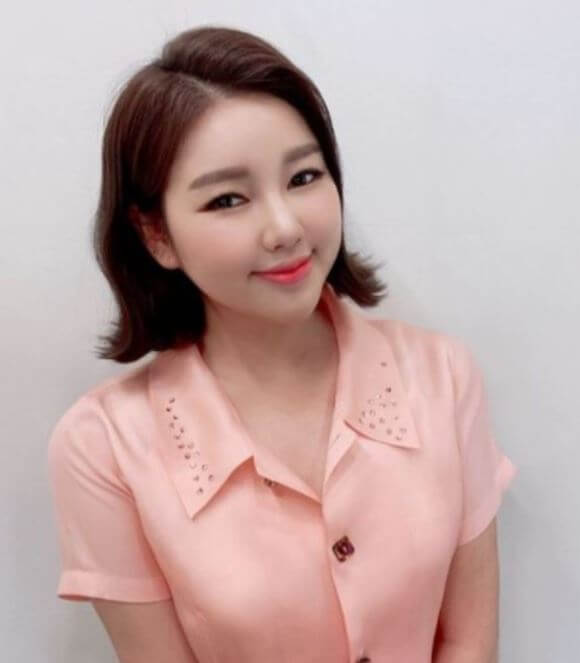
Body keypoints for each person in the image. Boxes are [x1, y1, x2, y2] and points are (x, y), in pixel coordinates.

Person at [47, 25, 518, 663]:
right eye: (228, 199)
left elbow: (468, 642)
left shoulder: (441, 376)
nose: (285, 228)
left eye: (303, 177)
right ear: (156, 234)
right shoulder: (105, 447)